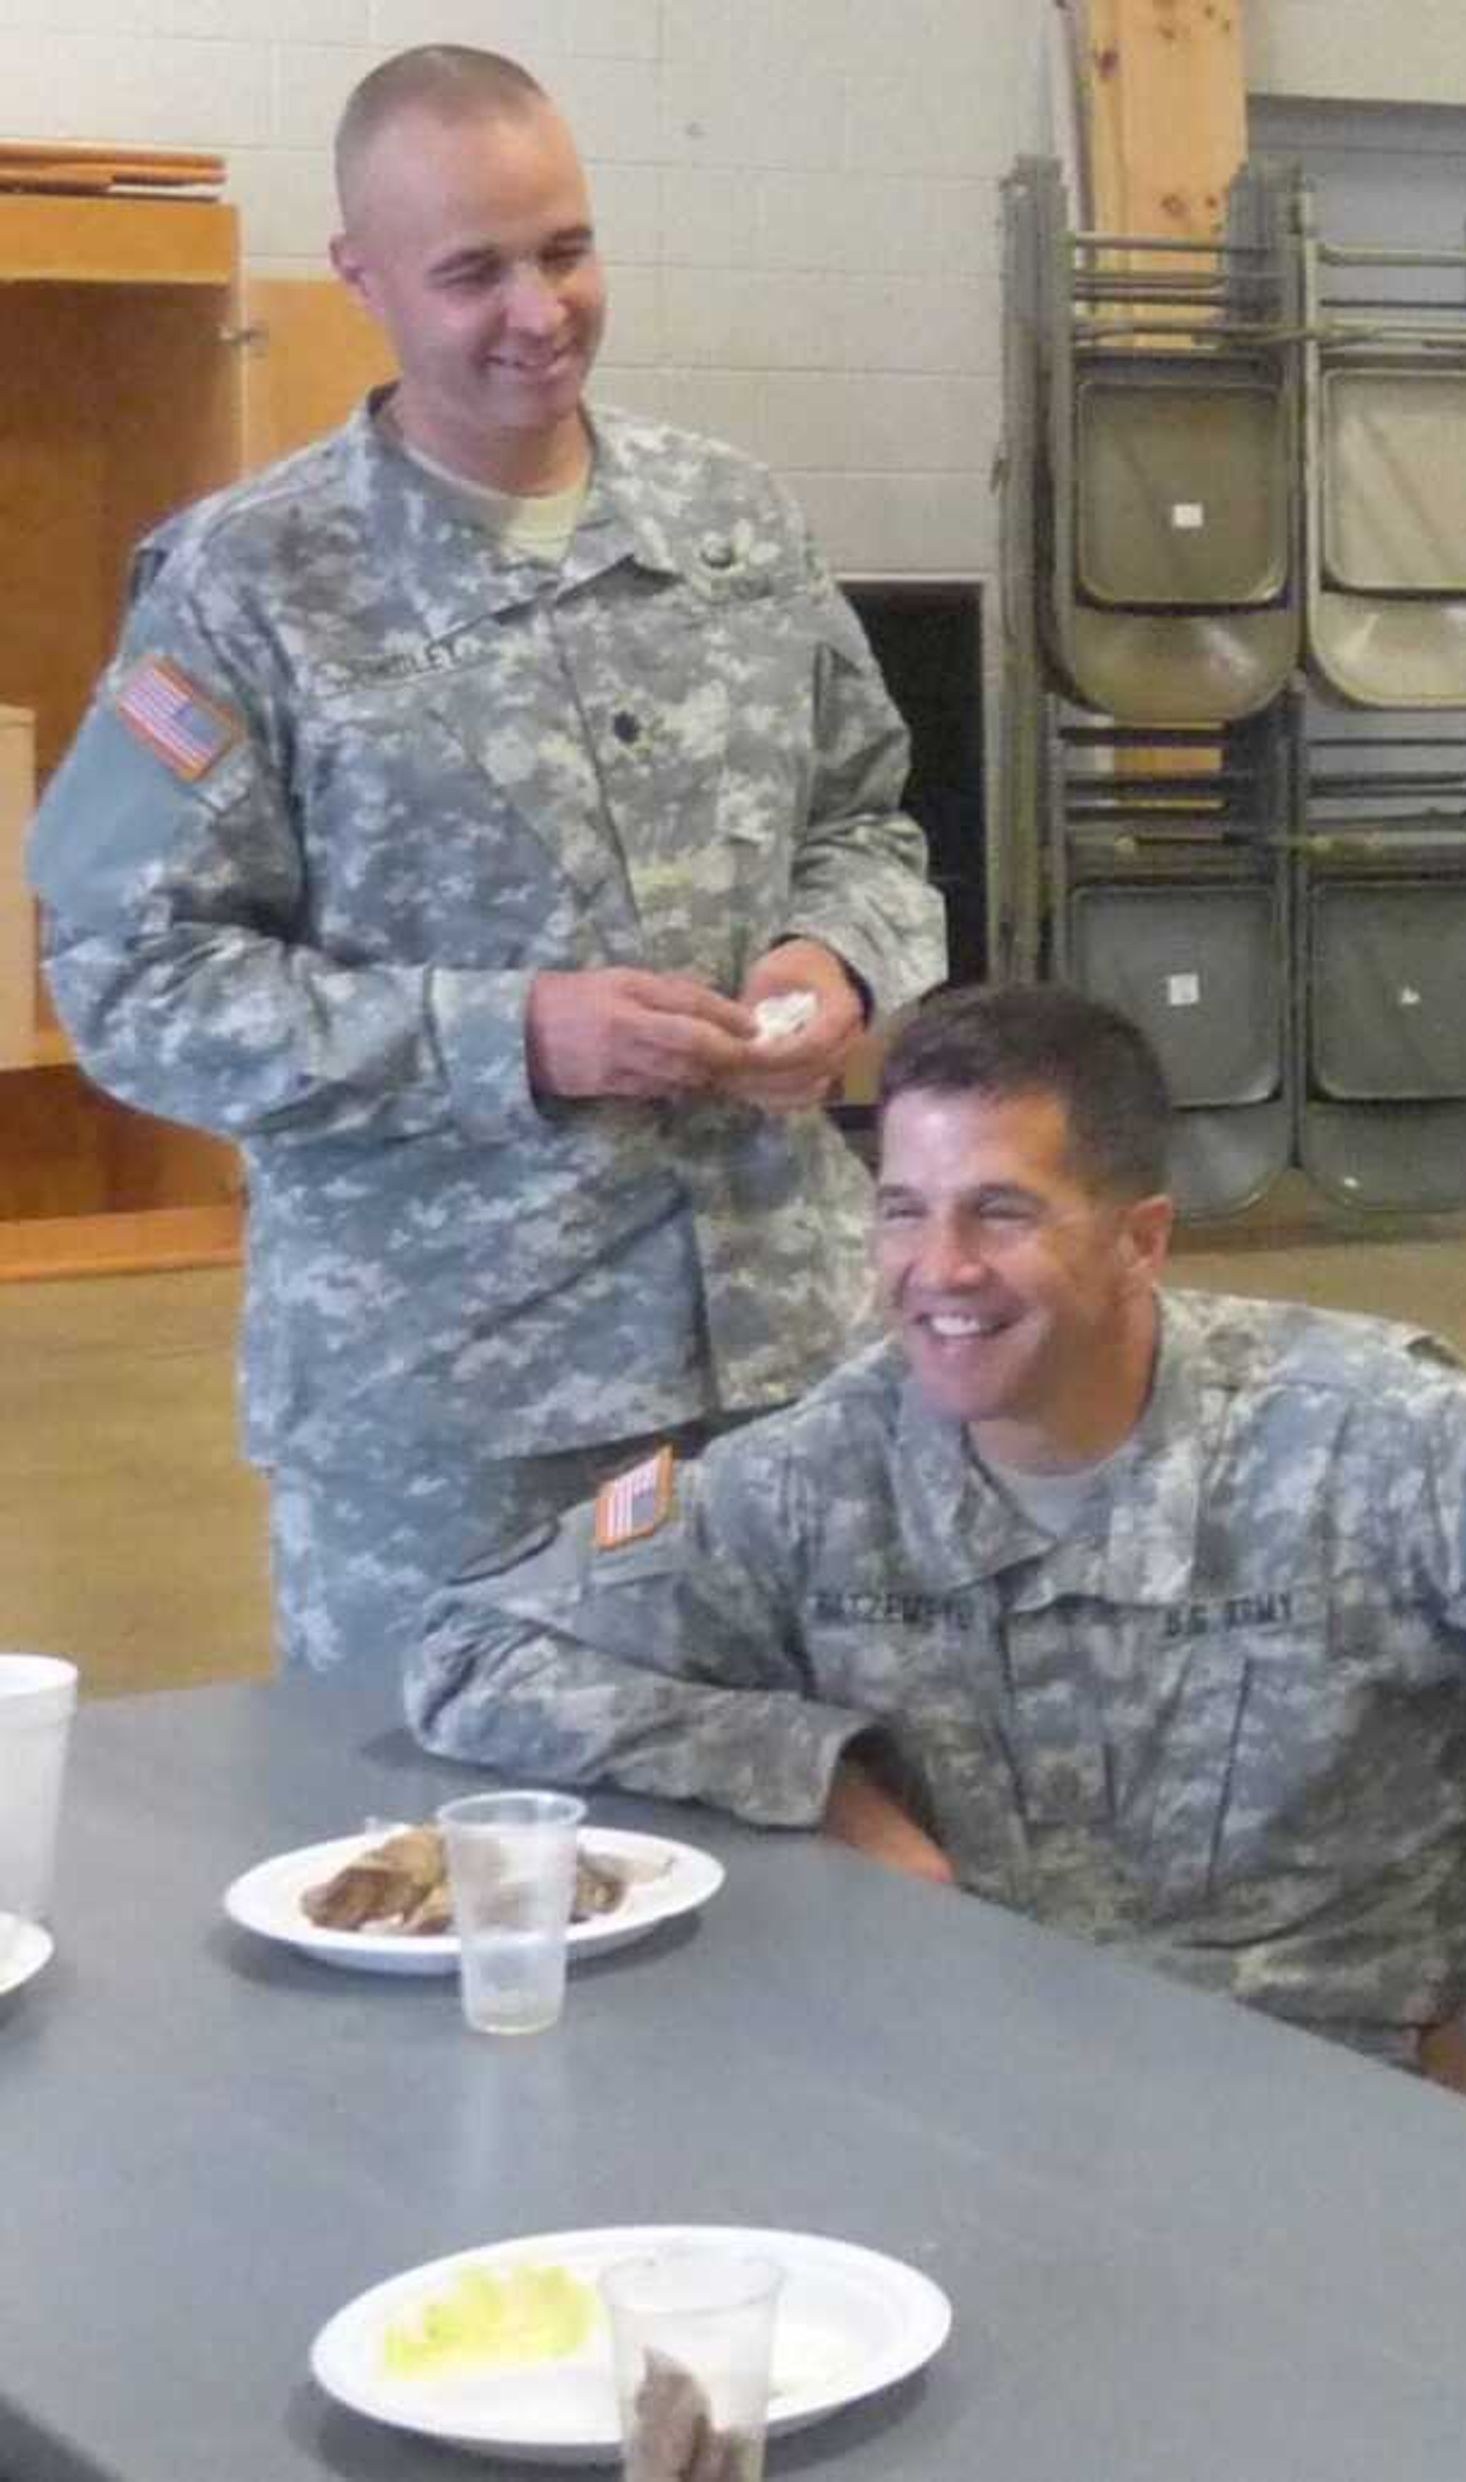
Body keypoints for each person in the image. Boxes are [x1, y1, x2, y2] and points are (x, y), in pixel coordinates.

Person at [409, 985, 1466, 2150]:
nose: (937, 1272)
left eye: (1001, 1210)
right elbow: (476, 1649)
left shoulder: (1379, 1442)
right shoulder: (827, 1465)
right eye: (902, 1209)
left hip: (1337, 2123)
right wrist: (814, 1775)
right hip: (972, 2114)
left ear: (1140, 1240)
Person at [24, 45, 944, 1675]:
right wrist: (511, 1034)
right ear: (363, 279)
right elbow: (123, 977)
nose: (539, 311)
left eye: (566, 250)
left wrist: (838, 962)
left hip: (794, 1360)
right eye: (472, 273)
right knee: (449, 1867)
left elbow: (869, 817)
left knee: (835, 1839)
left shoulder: (735, 527)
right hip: (453, 1415)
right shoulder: (243, 588)